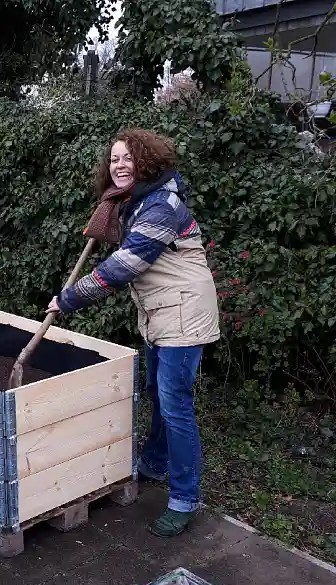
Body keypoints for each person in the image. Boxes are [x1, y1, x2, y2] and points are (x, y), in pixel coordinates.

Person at [46, 128, 220, 537]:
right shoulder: (135, 202)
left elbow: (126, 264)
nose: (119, 165)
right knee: (159, 393)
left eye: (128, 158)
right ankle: (155, 462)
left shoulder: (162, 205)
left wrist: (69, 298)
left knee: (175, 404)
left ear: (147, 163)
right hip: (160, 313)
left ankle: (184, 497)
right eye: (114, 159)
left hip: (183, 315)